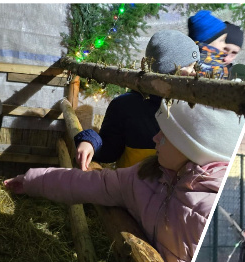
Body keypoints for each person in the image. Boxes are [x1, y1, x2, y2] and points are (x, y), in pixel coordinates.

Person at [5, 100, 244, 262]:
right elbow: (88, 183)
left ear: (192, 148)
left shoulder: (211, 212)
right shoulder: (147, 175)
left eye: (166, 135)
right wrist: (30, 181)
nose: (154, 137)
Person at [73, 32, 204, 171]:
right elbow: (108, 152)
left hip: (176, 190)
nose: (194, 73)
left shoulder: (191, 107)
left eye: (195, 67)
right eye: (188, 67)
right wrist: (90, 141)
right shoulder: (126, 107)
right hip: (131, 187)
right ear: (166, 70)